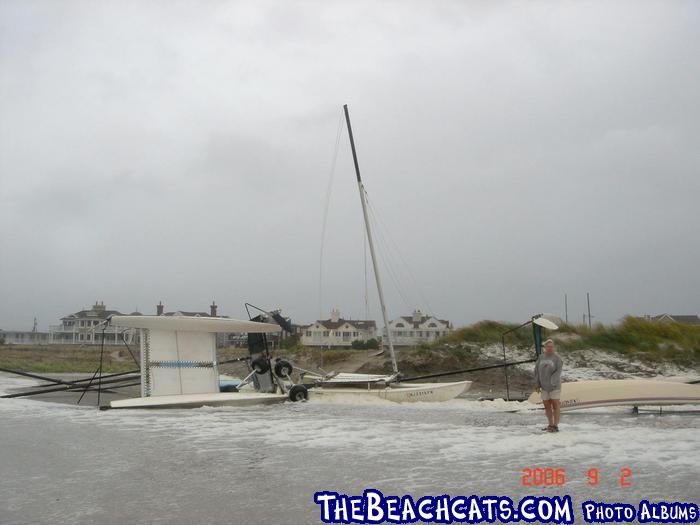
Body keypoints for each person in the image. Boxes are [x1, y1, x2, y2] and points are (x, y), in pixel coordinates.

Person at [534, 339, 563, 432]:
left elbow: (558, 372)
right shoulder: (541, 357)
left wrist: (552, 383)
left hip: (554, 386)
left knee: (555, 405)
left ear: (553, 347)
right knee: (547, 406)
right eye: (548, 346)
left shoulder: (557, 358)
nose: (550, 348)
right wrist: (537, 383)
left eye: (551, 346)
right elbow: (536, 371)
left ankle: (555, 425)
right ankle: (550, 424)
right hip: (544, 387)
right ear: (545, 348)